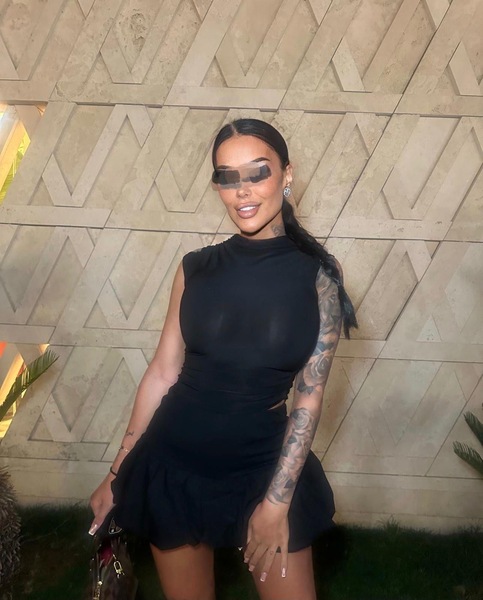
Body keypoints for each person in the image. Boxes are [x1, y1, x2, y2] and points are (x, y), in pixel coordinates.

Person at [89, 118, 358, 600]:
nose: (242, 191)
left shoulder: (319, 274)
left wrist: (276, 504)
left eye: (258, 172)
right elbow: (162, 373)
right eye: (227, 177)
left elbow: (309, 395)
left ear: (287, 174)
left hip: (262, 468)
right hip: (173, 462)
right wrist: (117, 473)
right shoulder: (195, 267)